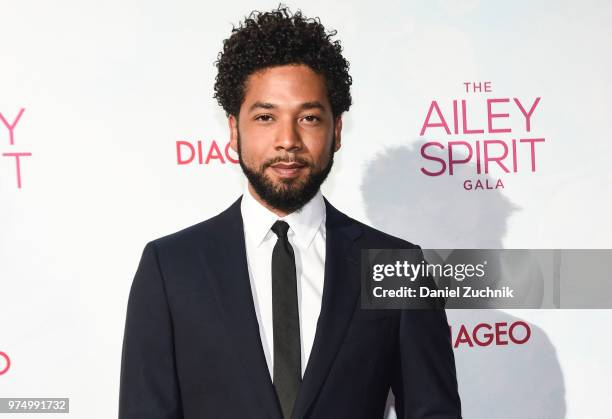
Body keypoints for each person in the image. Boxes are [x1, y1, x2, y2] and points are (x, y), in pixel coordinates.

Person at [118, 6, 461, 419]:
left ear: (336, 131)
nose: (288, 140)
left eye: (309, 118)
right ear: (233, 129)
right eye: (265, 117)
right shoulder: (170, 268)